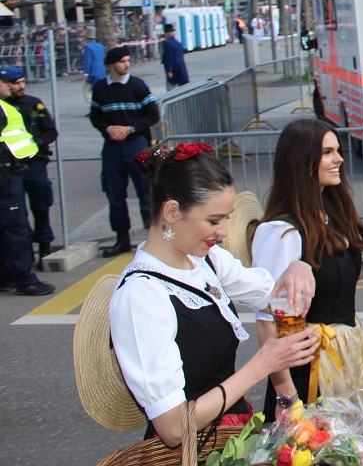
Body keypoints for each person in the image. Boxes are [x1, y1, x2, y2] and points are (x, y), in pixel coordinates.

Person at [110, 142, 319, 447]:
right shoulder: (141, 295)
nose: (223, 231)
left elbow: (271, 295)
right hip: (193, 450)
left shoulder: (204, 260)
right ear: (171, 212)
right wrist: (262, 365)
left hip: (231, 436)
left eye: (227, 218)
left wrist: (297, 267)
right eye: (213, 220)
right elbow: (172, 427)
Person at [251, 120, 363, 461]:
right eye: (328, 153)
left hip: (350, 356)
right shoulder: (280, 231)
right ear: (302, 161)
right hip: (310, 368)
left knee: (360, 449)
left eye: (338, 151)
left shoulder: (327, 211)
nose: (339, 160)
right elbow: (266, 320)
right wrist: (286, 396)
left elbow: (328, 280)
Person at [90, 47, 160, 257]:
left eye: (128, 60)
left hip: (136, 143)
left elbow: (152, 114)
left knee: (146, 192)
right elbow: (95, 116)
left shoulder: (138, 86)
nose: (126, 64)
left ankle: (153, 239)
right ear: (111, 65)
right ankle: (122, 239)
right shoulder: (101, 88)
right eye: (121, 61)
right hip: (112, 146)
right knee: (114, 194)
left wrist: (131, 129)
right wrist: (107, 128)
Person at [0, 72, 55, 296]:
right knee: (15, 227)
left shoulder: (9, 106)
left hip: (16, 170)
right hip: (6, 175)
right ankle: (25, 278)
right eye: (8, 82)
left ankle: (6, 276)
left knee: (10, 226)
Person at [160, 23, 189, 90]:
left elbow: (169, 57)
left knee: (170, 87)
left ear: (167, 34)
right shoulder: (178, 43)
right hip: (180, 68)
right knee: (182, 87)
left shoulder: (167, 43)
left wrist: (169, 70)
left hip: (173, 70)